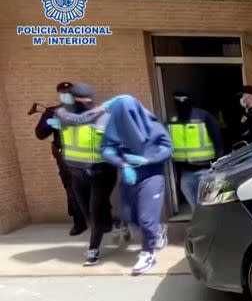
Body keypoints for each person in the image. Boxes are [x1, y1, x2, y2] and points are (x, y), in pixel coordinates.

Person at [100, 95, 173, 275]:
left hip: (151, 177)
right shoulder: (114, 127)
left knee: (146, 219)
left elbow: (167, 148)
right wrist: (122, 164)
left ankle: (148, 253)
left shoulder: (153, 125)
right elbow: (107, 149)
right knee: (129, 216)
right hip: (129, 178)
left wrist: (147, 160)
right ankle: (158, 229)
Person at [47, 83, 118, 266]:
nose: (84, 104)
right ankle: (117, 222)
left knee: (95, 213)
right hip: (76, 173)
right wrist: (100, 109)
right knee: (87, 214)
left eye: (87, 101)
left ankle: (93, 250)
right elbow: (78, 120)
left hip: (101, 172)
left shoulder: (105, 116)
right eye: (79, 100)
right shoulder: (63, 113)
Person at [35, 81, 86, 236]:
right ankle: (79, 222)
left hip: (86, 153)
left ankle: (102, 220)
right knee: (71, 189)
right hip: (65, 155)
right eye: (63, 93)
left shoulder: (85, 109)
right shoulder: (52, 111)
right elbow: (40, 134)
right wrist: (51, 125)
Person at [168, 89, 224, 210]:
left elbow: (218, 141)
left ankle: (212, 228)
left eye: (183, 99)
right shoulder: (172, 120)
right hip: (185, 173)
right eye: (177, 100)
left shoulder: (203, 117)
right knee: (195, 209)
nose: (180, 102)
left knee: (210, 207)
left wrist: (218, 166)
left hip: (205, 170)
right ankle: (202, 228)